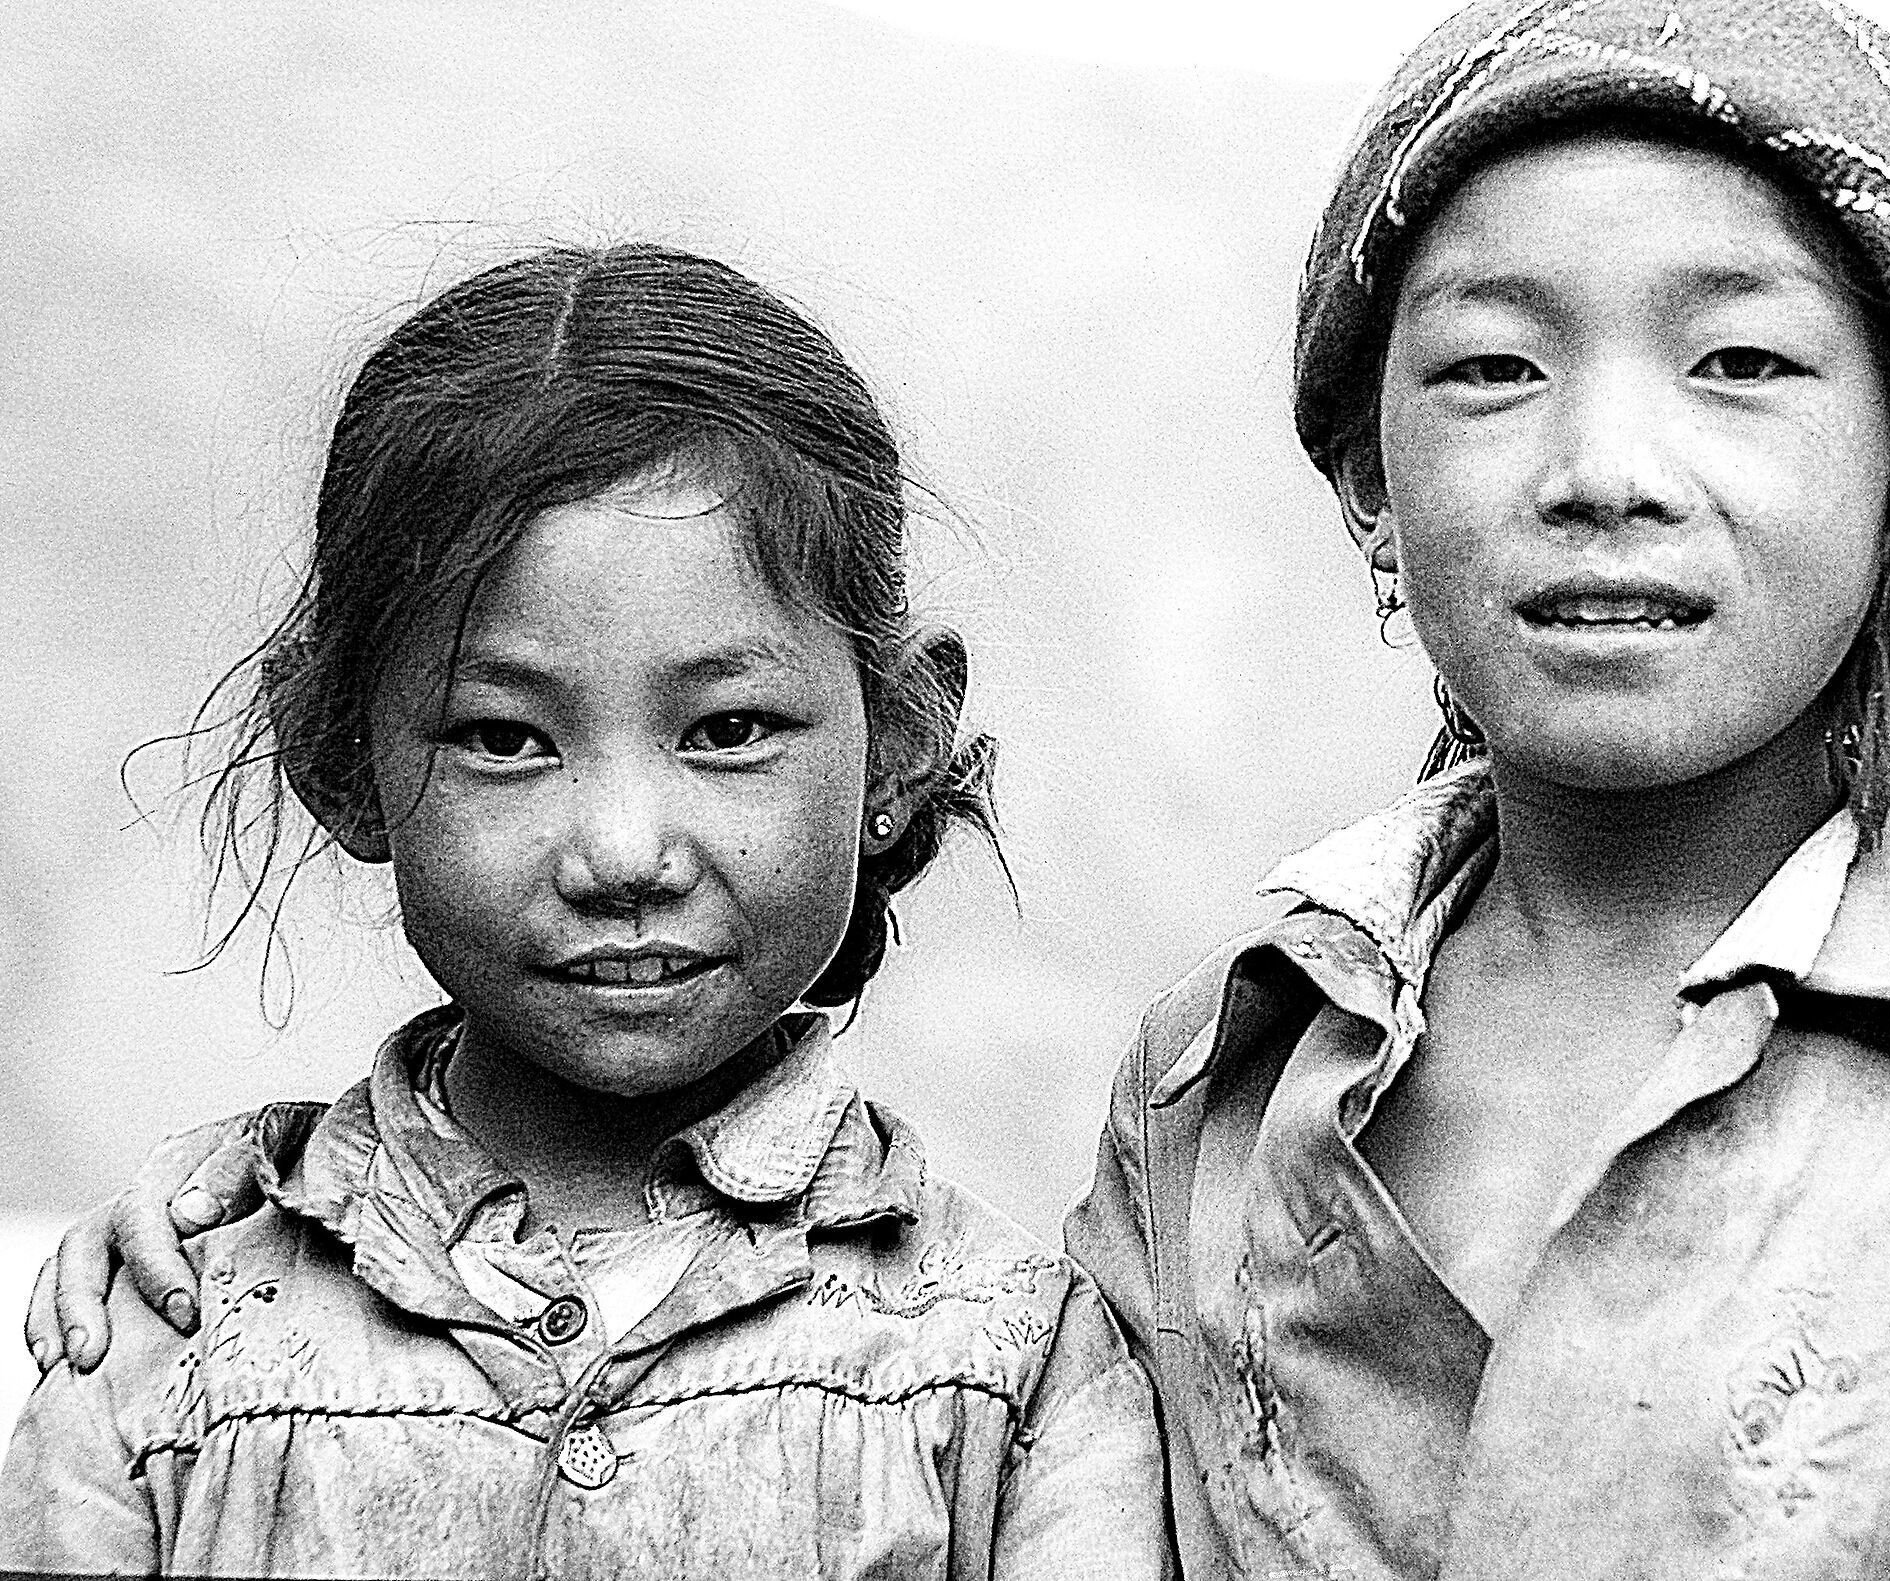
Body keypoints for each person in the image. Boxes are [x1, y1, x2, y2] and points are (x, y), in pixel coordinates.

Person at [26, 2, 1890, 1577]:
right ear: (1368, 483)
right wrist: (243, 1234)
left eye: (1743, 363)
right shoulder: (1224, 1088)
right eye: (1486, 371)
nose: (1603, 468)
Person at [1, 243, 1168, 1578]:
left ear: (897, 743)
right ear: (336, 753)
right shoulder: (164, 1349)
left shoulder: (1012, 1368)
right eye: (503, 739)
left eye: (729, 728)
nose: (621, 851)